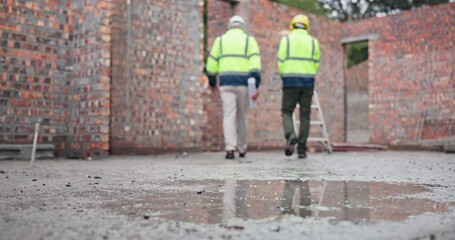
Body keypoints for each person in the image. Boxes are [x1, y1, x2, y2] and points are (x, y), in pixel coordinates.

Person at [206, 15, 261, 159]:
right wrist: (255, 84)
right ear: (242, 26)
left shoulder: (220, 40)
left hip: (226, 82)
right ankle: (242, 149)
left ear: (229, 26)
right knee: (242, 116)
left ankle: (230, 148)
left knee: (228, 115)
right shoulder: (250, 41)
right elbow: (255, 64)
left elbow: (212, 63)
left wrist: (212, 81)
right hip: (244, 83)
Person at [277, 14, 320, 159]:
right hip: (307, 82)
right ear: (306, 26)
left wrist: (284, 74)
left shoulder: (286, 40)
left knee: (287, 111)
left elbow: (280, 60)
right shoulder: (314, 42)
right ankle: (302, 149)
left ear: (293, 25)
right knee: (305, 115)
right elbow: (316, 62)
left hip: (290, 81)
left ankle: (290, 135)